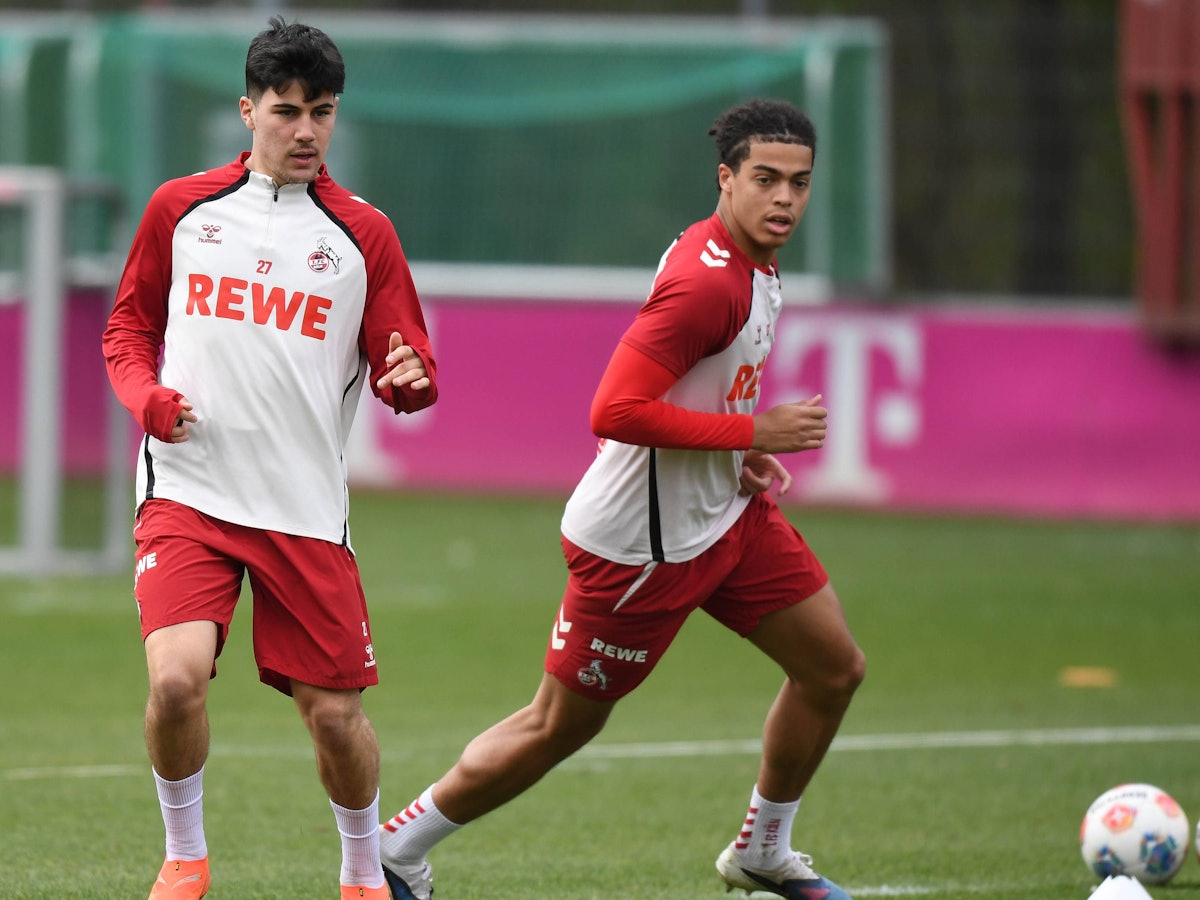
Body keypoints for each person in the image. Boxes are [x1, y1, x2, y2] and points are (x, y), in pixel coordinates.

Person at [378, 98, 864, 900]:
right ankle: (395, 852)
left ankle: (764, 850)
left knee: (833, 668)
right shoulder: (706, 287)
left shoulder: (754, 264)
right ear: (726, 178)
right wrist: (750, 434)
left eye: (800, 184)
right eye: (766, 180)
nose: (784, 199)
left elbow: (693, 392)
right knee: (558, 726)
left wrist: (734, 463)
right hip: (644, 551)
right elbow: (615, 410)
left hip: (726, 519)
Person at [102, 16, 437, 900]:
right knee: (175, 683)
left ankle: (364, 874)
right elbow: (129, 327)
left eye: (322, 113)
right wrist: (148, 399)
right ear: (247, 111)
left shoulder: (365, 236)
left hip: (302, 510)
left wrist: (409, 377)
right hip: (189, 491)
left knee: (334, 718)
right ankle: (184, 858)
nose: (305, 131)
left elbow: (410, 361)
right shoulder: (181, 209)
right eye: (286, 111)